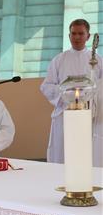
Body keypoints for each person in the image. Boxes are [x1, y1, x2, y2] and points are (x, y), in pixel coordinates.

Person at [40, 19, 103, 163]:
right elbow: (47, 86)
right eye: (73, 34)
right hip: (65, 114)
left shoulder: (98, 61)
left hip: (90, 117)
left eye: (81, 34)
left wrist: (89, 96)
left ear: (88, 36)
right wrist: (67, 94)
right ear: (69, 36)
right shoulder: (59, 60)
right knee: (64, 155)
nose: (77, 37)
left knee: (87, 157)